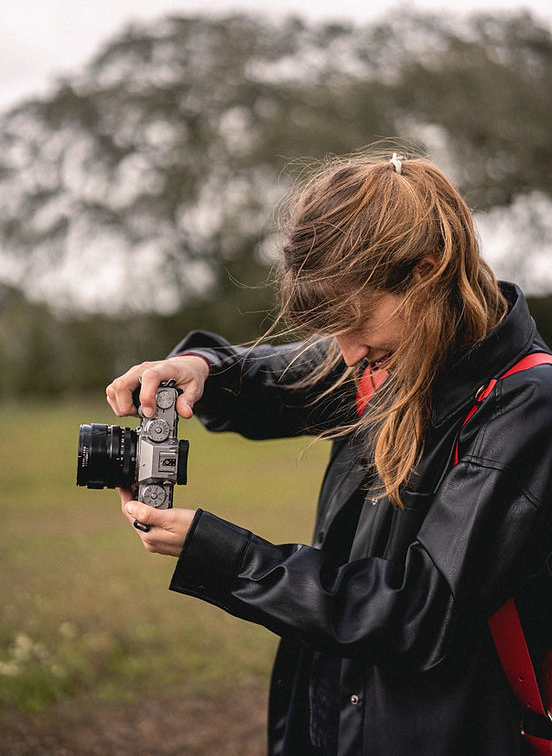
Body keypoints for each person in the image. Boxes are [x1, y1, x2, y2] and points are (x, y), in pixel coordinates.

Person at [106, 151, 552, 756]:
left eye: (354, 325)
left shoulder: (526, 407)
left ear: (427, 272)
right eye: (331, 331)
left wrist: (219, 554)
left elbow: (417, 612)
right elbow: (277, 376)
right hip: (339, 712)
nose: (344, 355)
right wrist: (198, 367)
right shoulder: (399, 350)